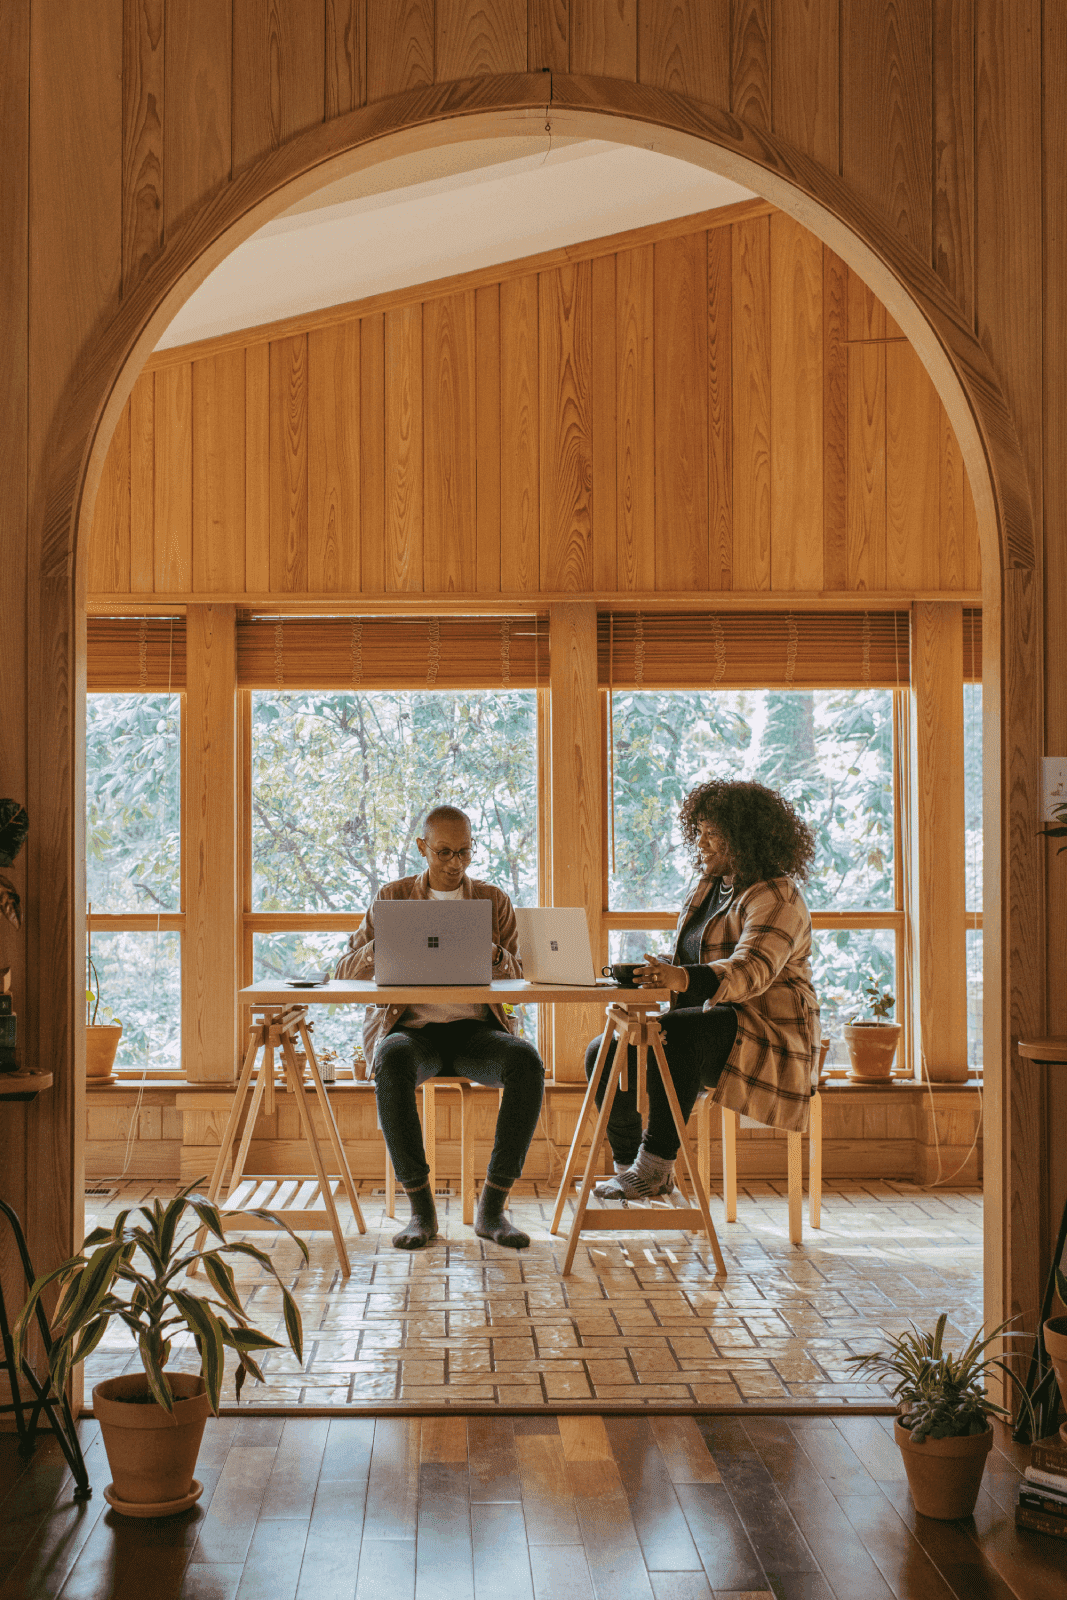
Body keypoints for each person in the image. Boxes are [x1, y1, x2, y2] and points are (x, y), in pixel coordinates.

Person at [586, 778, 820, 1200]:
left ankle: (655, 1167)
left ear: (745, 837)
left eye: (713, 833)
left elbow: (751, 970)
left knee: (676, 1032)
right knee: (602, 1053)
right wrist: (659, 972)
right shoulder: (710, 886)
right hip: (708, 1027)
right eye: (699, 831)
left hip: (768, 1034)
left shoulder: (777, 895)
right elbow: (693, 961)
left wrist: (682, 978)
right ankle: (630, 1166)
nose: (702, 842)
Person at [336, 804, 544, 1250]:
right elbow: (342, 972)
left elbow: (522, 980)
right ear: (422, 848)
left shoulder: (493, 901)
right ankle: (421, 1211)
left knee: (526, 1060)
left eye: (465, 852)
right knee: (390, 1058)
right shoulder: (391, 899)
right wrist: (385, 942)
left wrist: (493, 956)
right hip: (413, 1031)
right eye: (444, 852)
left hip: (475, 1031)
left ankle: (492, 1208)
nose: (456, 863)